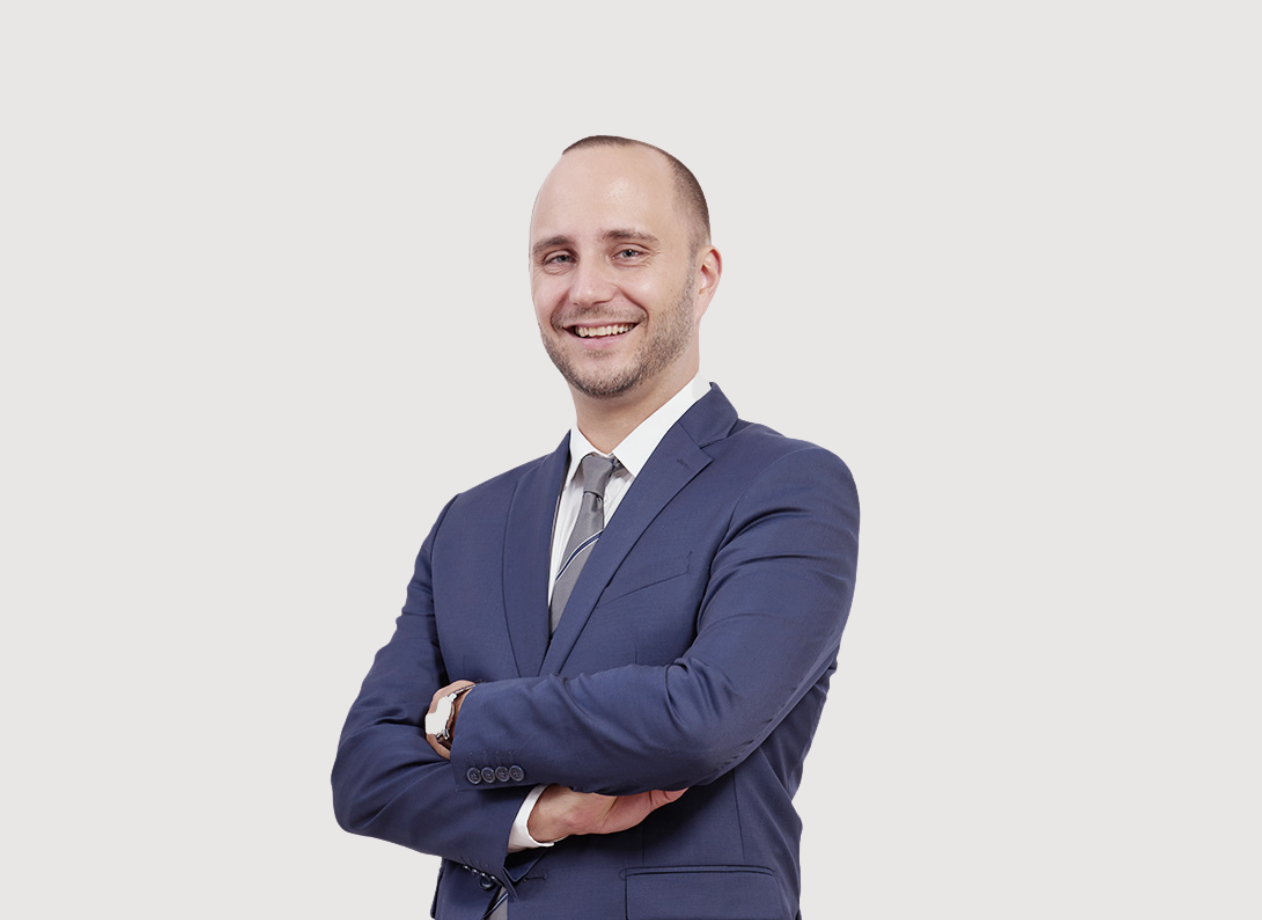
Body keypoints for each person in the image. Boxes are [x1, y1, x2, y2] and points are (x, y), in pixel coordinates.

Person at [332, 135, 860, 920]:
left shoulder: (788, 487)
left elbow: (700, 720)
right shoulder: (470, 522)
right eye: (558, 258)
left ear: (703, 275)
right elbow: (366, 773)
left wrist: (460, 718)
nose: (587, 289)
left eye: (627, 252)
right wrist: (537, 816)